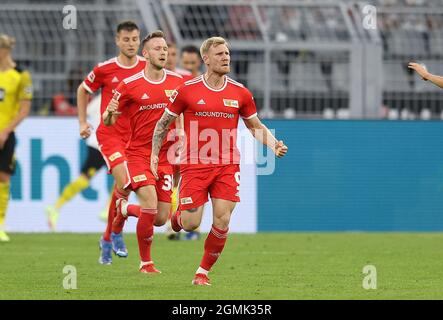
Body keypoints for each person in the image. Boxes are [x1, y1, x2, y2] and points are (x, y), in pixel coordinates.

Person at [150, 36, 288, 285]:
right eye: (220, 54)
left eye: (227, 53)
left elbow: (255, 126)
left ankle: (202, 272)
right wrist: (153, 155)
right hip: (195, 163)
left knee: (222, 219)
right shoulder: (188, 90)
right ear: (206, 59)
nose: (226, 57)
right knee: (191, 223)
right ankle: (176, 219)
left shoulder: (240, 92)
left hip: (227, 164)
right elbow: (162, 124)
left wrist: (273, 144)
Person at [103, 30, 184, 274]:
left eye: (165, 48)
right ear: (145, 53)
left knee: (160, 218)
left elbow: (182, 113)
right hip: (138, 155)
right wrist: (110, 114)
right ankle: (146, 263)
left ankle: (124, 209)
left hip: (165, 157)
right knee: (149, 204)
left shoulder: (177, 82)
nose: (163, 52)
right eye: (158, 48)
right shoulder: (129, 85)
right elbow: (108, 119)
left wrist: (181, 135)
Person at [77, 21, 146, 264]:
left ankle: (108, 237)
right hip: (110, 136)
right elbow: (83, 89)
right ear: (117, 40)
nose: (130, 44)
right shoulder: (106, 69)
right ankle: (115, 233)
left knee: (124, 189)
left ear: (140, 41)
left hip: (136, 138)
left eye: (135, 39)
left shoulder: (147, 69)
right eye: (126, 39)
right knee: (125, 181)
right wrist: (83, 122)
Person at [45, 95, 112, 230]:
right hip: (103, 144)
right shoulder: (117, 95)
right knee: (123, 179)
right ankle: (107, 209)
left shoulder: (100, 98)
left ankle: (55, 207)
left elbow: (87, 111)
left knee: (86, 179)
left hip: (98, 144)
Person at [0, 34, 32, 242]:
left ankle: (0, 224)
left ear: (5, 51)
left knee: (3, 177)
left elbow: (24, 109)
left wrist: (5, 131)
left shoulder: (21, 75)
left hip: (6, 134)